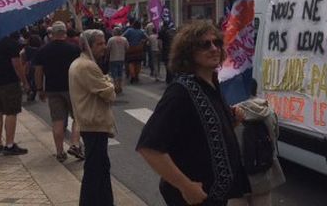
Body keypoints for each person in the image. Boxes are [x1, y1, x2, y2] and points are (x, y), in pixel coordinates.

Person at [137, 20, 249, 206]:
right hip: (193, 198)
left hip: (216, 197)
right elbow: (149, 148)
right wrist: (186, 186)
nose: (213, 48)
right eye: (205, 44)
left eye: (217, 43)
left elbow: (204, 131)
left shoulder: (212, 83)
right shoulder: (180, 92)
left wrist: (232, 120)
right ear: (188, 52)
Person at [69, 29, 116, 206]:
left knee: (100, 168)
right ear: (87, 45)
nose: (104, 47)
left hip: (91, 122)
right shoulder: (87, 66)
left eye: (104, 42)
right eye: (99, 43)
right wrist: (109, 80)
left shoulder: (82, 63)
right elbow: (110, 94)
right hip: (94, 123)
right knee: (95, 171)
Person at [228, 78, 285, 206]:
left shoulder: (231, 113)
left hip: (238, 175)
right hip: (263, 170)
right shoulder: (268, 111)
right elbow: (275, 136)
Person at [34, 21, 84, 162]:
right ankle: (75, 144)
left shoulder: (43, 50)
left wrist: (39, 89)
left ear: (52, 34)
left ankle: (60, 151)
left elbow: (38, 72)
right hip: (72, 88)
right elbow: (81, 69)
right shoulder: (74, 49)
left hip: (52, 89)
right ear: (65, 33)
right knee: (78, 118)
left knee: (58, 121)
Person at [0, 31, 28, 155]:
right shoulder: (10, 43)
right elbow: (17, 65)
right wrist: (24, 81)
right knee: (11, 112)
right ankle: (9, 144)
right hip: (9, 82)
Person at [106, 26, 129, 94]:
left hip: (113, 58)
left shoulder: (111, 39)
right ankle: (120, 86)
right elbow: (127, 47)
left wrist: (107, 56)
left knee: (114, 73)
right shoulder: (124, 39)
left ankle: (116, 87)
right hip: (121, 58)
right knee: (120, 73)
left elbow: (108, 49)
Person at [20, 34, 42, 101]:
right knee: (36, 79)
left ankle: (29, 92)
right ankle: (35, 90)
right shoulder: (40, 49)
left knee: (28, 80)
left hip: (28, 66)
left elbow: (22, 56)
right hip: (37, 66)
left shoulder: (26, 49)